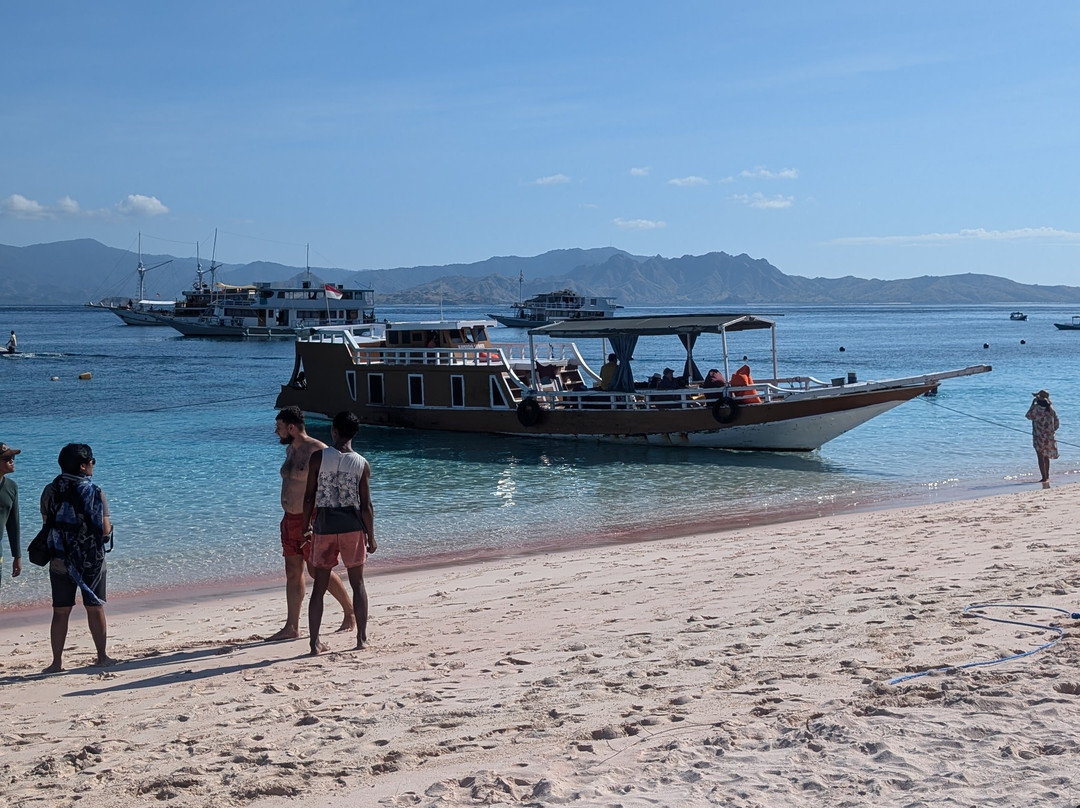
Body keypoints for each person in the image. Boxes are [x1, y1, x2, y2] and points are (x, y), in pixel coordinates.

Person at [269, 406, 355, 642]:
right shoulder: (290, 450)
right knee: (292, 571)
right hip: (289, 519)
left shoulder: (319, 450)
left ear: (291, 428)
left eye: (278, 427)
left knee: (317, 570)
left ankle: (350, 612)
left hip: (312, 519)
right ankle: (291, 626)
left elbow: (340, 481)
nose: (276, 432)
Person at [302, 411, 376, 656]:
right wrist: (371, 536)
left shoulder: (318, 457)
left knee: (319, 587)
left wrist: (306, 525)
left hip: (324, 525)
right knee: (358, 583)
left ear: (333, 431)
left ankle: (314, 643)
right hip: (352, 527)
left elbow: (310, 496)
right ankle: (362, 638)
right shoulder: (361, 463)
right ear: (355, 433)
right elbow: (366, 505)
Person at [40, 444, 115, 672]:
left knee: (61, 610)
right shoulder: (95, 492)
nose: (93, 465)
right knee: (95, 607)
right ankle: (102, 656)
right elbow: (104, 530)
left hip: (60, 558)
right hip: (91, 559)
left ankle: (56, 663)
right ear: (83, 466)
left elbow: (46, 524)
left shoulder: (50, 490)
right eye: (92, 461)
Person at [0, 443, 22, 593]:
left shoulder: (11, 487)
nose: (12, 461)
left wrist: (17, 556)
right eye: (7, 458)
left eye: (12, 457)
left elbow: (13, 524)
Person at [1026, 389, 1059, 483]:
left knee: (1040, 457)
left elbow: (1028, 416)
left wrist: (1032, 404)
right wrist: (1049, 431)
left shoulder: (1036, 408)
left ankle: (1044, 477)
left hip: (1038, 436)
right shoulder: (1051, 408)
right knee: (1046, 457)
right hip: (1049, 437)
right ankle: (1047, 476)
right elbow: (1057, 424)